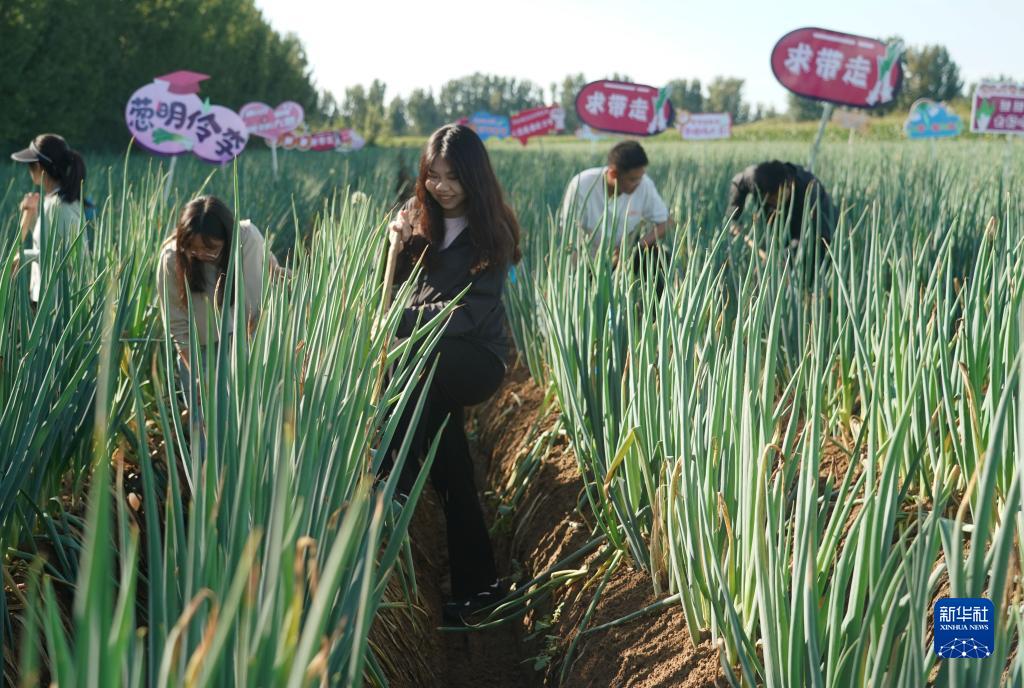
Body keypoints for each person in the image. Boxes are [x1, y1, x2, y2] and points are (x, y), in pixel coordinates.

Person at [381, 124, 521, 625]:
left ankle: (391, 475)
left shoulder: (493, 232)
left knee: (414, 368)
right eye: (433, 175)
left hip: (474, 359)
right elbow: (391, 288)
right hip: (427, 358)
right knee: (452, 464)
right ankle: (479, 586)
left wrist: (397, 324)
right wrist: (395, 245)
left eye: (453, 177)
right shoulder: (419, 219)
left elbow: (466, 313)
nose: (441, 187)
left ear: (473, 177)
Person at [155, 196, 284, 450]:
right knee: (208, 438)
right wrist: (199, 374)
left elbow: (257, 301)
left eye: (211, 249)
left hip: (246, 341)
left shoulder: (247, 240)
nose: (202, 255)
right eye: (193, 249)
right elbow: (177, 326)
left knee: (253, 430)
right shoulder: (171, 258)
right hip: (198, 353)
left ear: (227, 238)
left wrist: (246, 359)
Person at [10, 134, 88, 304]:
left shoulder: (59, 206)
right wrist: (32, 216)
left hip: (56, 307)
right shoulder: (54, 201)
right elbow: (48, 241)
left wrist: (22, 257)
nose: (29, 170)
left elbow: (71, 255)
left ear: (39, 166)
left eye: (30, 165)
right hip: (47, 300)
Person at [560, 140, 670, 261]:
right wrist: (578, 267)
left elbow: (666, 222)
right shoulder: (582, 184)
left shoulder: (644, 184)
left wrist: (634, 248)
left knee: (660, 256)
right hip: (587, 258)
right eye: (632, 180)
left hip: (624, 259)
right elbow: (569, 232)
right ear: (613, 174)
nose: (638, 184)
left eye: (640, 177)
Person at [727, 160, 835, 248]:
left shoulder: (808, 190)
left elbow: (809, 232)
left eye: (779, 197)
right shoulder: (755, 178)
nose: (777, 203)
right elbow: (738, 182)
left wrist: (787, 256)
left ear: (789, 185)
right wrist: (734, 219)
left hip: (817, 223)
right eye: (771, 200)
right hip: (778, 218)